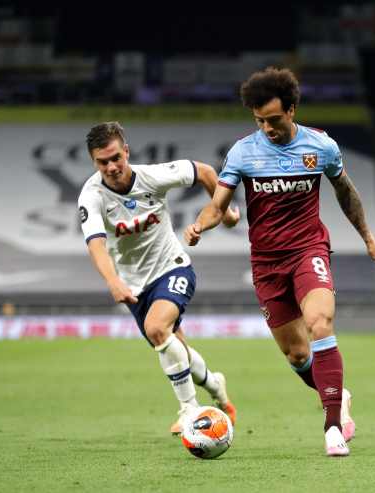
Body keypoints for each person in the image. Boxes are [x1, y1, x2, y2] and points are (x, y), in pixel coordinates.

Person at [184, 67, 375, 457]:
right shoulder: (243, 152)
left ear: (292, 110)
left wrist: (368, 238)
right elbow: (218, 207)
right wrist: (199, 225)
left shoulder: (321, 147)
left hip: (308, 250)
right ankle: (338, 394)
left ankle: (332, 427)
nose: (267, 128)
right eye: (260, 120)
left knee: (320, 322)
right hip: (266, 263)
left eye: (274, 120)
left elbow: (346, 193)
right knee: (297, 355)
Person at [78, 121, 240, 435]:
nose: (111, 166)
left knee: (156, 328)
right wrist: (113, 281)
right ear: (93, 161)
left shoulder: (153, 176)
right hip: (134, 286)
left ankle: (190, 410)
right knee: (173, 346)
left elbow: (205, 172)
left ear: (126, 151)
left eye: (115, 157)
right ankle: (216, 385)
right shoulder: (91, 196)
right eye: (102, 161)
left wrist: (226, 210)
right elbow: (95, 244)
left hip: (173, 267)